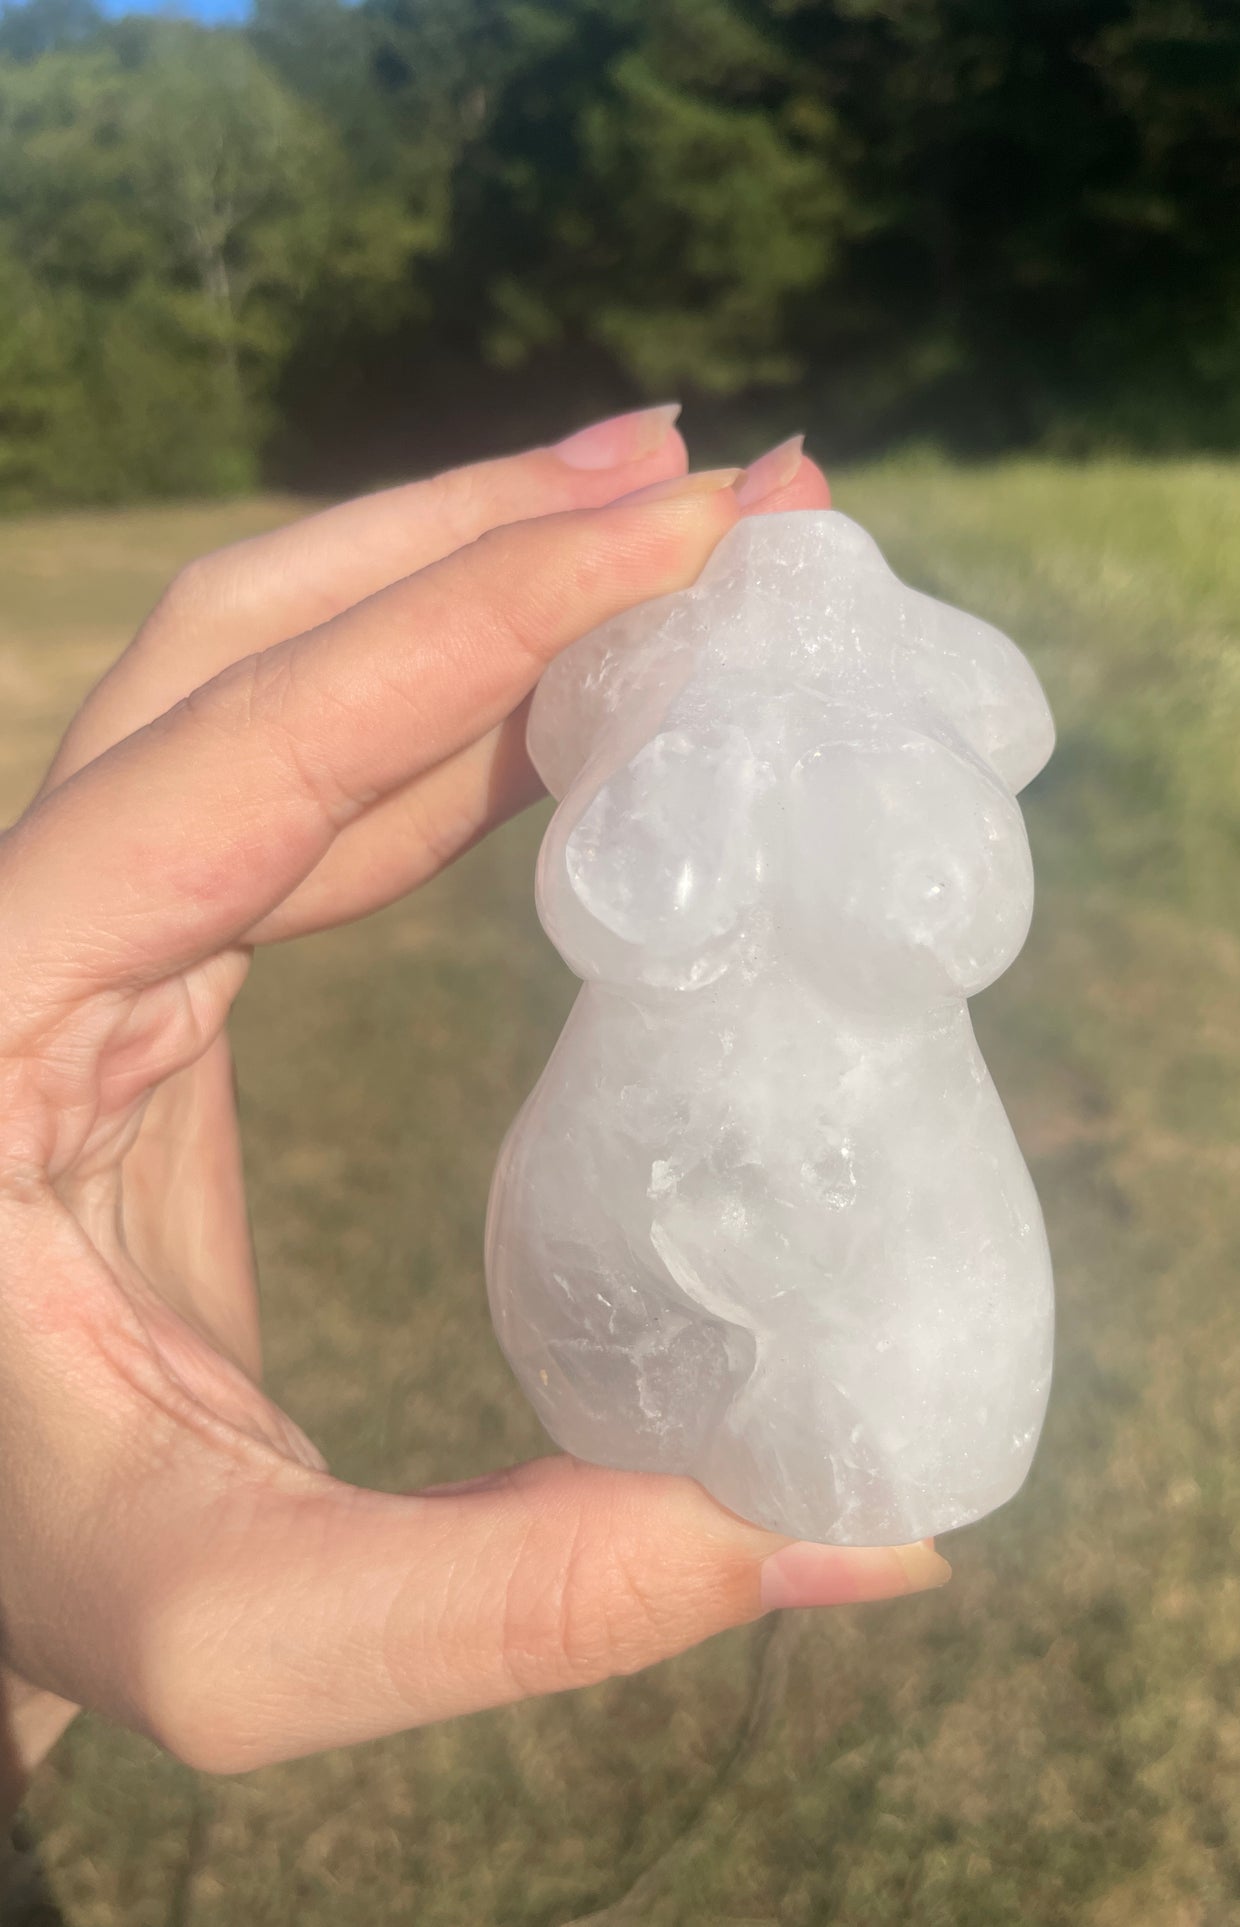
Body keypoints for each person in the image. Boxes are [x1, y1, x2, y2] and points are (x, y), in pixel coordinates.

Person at [0, 409, 949, 1821]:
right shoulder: (680, 775)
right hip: (632, 1207)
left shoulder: (898, 798)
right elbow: (628, 900)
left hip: (880, 1202)